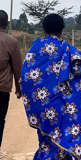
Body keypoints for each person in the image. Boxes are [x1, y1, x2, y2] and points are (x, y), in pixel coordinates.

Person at [20, 14, 81, 160]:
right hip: (65, 106)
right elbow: (77, 77)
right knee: (68, 133)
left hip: (45, 107)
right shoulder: (72, 51)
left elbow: (26, 77)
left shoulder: (36, 48)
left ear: (44, 29)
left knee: (47, 138)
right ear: (62, 29)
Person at [0, 10, 22, 158]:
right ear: (6, 23)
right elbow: (17, 69)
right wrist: (19, 90)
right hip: (2, 90)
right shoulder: (11, 42)